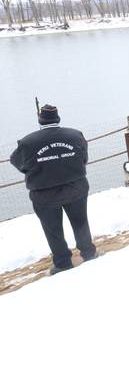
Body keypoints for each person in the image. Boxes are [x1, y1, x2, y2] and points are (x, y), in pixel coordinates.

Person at [10, 104, 99, 275]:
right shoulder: (75, 135)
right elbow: (83, 158)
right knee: (80, 222)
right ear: (57, 118)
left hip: (44, 194)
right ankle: (89, 253)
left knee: (53, 229)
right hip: (75, 188)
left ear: (40, 119)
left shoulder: (27, 142)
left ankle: (63, 263)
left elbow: (18, 163)